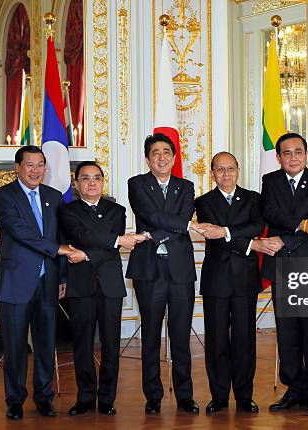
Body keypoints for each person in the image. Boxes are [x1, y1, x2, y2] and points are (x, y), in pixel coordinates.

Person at [0, 145, 76, 420]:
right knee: (15, 345)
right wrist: (59, 250)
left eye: (40, 164)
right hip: (16, 282)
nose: (36, 170)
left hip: (48, 281)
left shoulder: (53, 196)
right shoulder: (4, 196)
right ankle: (15, 400)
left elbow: (60, 234)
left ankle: (44, 397)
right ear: (18, 168)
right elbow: (20, 232)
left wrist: (62, 275)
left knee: (45, 343)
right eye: (30, 165)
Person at [58, 161, 147, 416]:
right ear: (76, 183)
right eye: (85, 178)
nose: (92, 182)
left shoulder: (116, 210)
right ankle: (85, 397)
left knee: (110, 344)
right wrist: (116, 241)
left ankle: (107, 397)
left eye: (97, 177)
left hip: (109, 284)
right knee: (82, 343)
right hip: (81, 285)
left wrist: (86, 254)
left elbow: (98, 244)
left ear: (102, 181)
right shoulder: (67, 211)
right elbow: (83, 236)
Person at [194, 152, 274, 414]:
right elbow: (213, 236)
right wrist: (250, 243)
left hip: (245, 280)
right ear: (212, 173)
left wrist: (227, 232)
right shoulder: (203, 202)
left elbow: (255, 226)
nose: (226, 174)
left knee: (244, 340)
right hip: (216, 280)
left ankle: (243, 396)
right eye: (220, 169)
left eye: (230, 169)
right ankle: (218, 397)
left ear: (238, 170)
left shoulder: (254, 199)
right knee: (216, 341)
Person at [126, 133, 200, 414]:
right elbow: (154, 214)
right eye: (155, 152)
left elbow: (176, 220)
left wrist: (152, 234)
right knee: (151, 337)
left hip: (180, 271)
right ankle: (153, 396)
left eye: (166, 152)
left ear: (173, 157)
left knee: (181, 336)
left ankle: (185, 395)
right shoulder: (137, 184)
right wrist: (178, 227)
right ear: (148, 158)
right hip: (149, 271)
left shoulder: (186, 185)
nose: (161, 157)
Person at [262, 132, 308, 415]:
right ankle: (293, 388)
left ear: (306, 154)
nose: (293, 157)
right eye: (287, 153)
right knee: (288, 331)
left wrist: (289, 237)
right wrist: (304, 223)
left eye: (298, 152)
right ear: (278, 157)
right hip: (281, 265)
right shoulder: (270, 181)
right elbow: (271, 214)